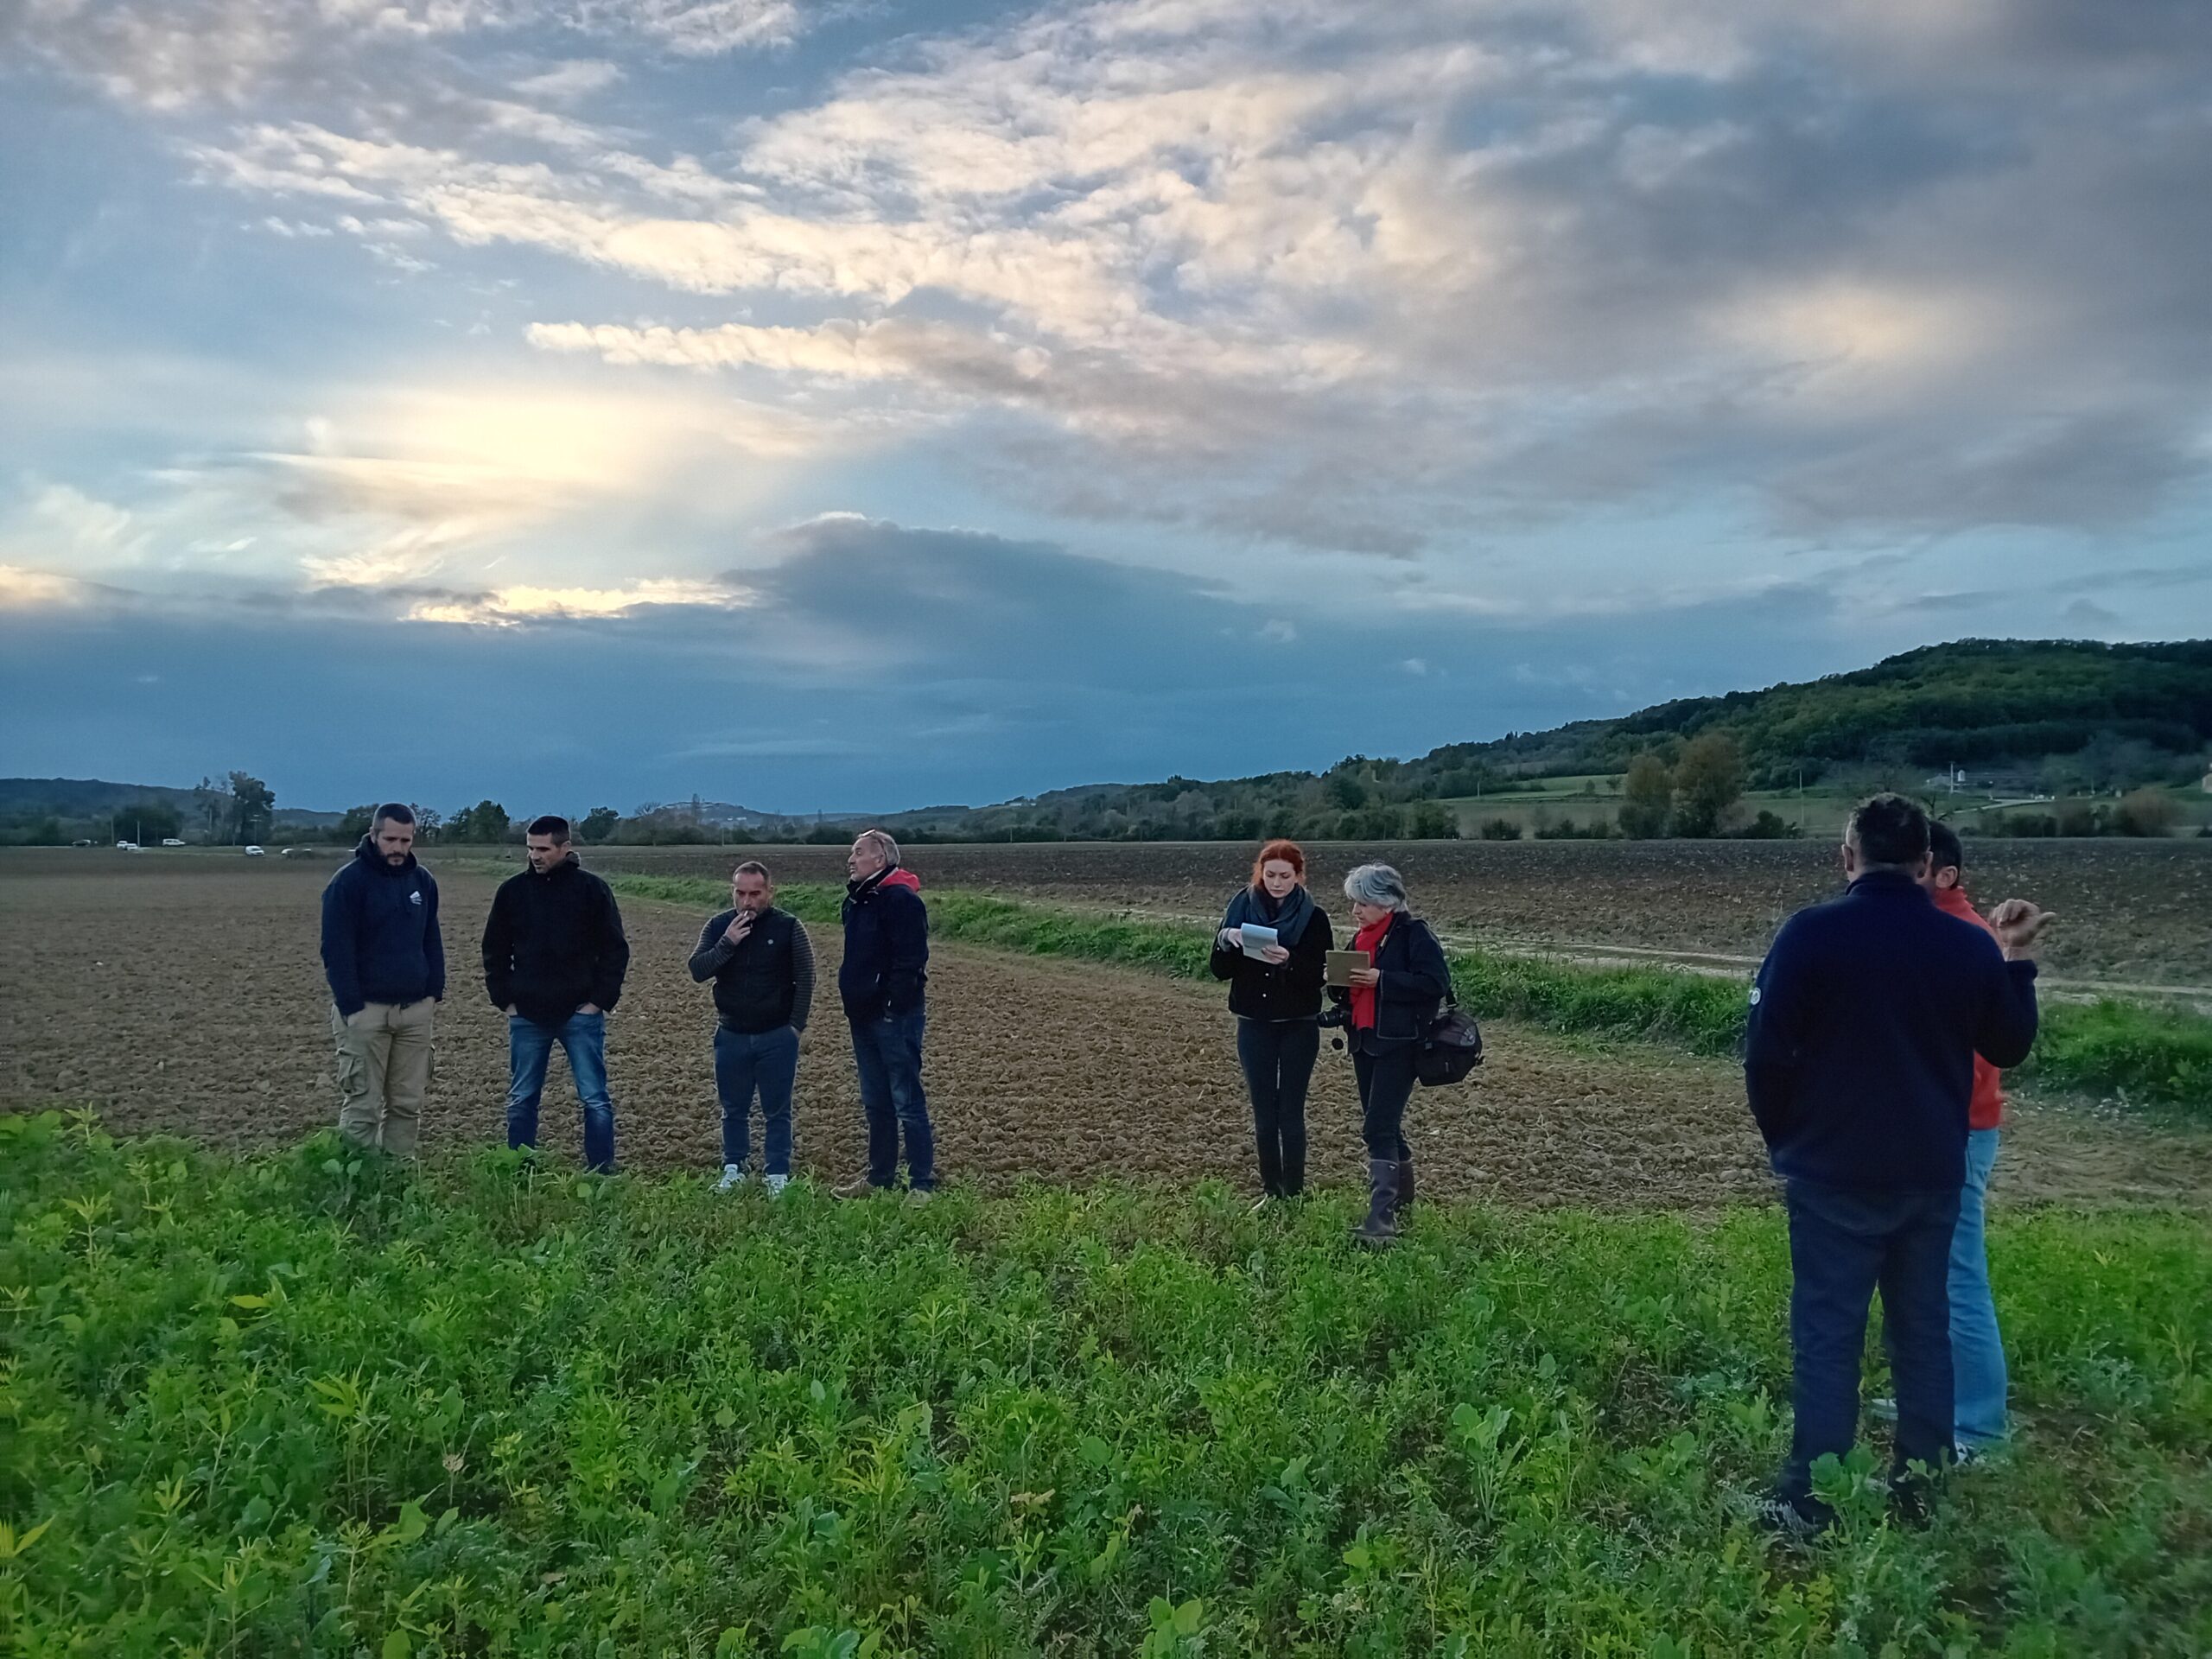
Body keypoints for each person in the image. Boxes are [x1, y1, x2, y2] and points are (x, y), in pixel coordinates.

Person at [1744, 794, 2050, 1535]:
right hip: (1931, 1172)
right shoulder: (1966, 944)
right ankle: (1921, 1493)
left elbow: (1765, 1057)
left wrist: (1789, 1141)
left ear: (1849, 857)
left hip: (1831, 1172)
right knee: (1923, 1332)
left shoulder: (1811, 935)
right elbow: (2008, 1045)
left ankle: (1811, 1502)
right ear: (1924, 862)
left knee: (1828, 1335)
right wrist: (2017, 961)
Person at [1918, 820, 2019, 1459]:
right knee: (1929, 1276)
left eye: (1916, 864)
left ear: (1946, 874)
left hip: (1958, 1131)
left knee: (1959, 1278)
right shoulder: (1942, 931)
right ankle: (1940, 1399)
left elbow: (1977, 1059)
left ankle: (1979, 1427)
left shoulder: (1962, 938)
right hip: (1947, 1128)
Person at [481, 815, 632, 1172]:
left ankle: (601, 1173)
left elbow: (615, 950)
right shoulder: (512, 892)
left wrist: (597, 1002)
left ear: (565, 848)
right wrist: (506, 1000)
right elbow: (494, 949)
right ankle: (520, 1170)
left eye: (543, 849)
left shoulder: (592, 890)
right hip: (527, 1016)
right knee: (522, 1098)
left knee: (594, 1098)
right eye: (531, 848)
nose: (535, 855)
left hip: (580, 1014)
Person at [1330, 862, 1451, 1246]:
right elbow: (1346, 992)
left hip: (1400, 1045)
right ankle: (1402, 1204)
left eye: (1362, 903)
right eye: (1354, 902)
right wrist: (1336, 982)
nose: (1355, 910)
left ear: (1387, 902)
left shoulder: (1414, 935)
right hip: (1365, 1042)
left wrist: (1382, 980)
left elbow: (1435, 983)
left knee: (1377, 1129)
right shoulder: (1361, 938)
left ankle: (1381, 1221)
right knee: (1387, 1127)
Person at [1211, 839, 1332, 1207]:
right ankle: (1270, 1192)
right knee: (1264, 1114)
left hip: (1298, 1025)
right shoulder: (1240, 907)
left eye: (1285, 876)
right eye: (1270, 875)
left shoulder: (1315, 917)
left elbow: (1320, 975)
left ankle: (1294, 1194)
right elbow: (1219, 970)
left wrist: (1288, 962)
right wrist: (1227, 939)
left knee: (1290, 1113)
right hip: (1254, 1024)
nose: (1277, 883)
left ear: (1299, 876)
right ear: (1260, 874)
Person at [319, 803, 443, 1157]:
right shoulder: (348, 883)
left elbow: (431, 939)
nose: (398, 848)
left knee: (407, 1105)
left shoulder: (422, 882)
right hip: (366, 1013)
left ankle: (397, 1177)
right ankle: (357, 1181)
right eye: (390, 839)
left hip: (414, 1013)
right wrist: (352, 1008)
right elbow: (335, 950)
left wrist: (433, 993)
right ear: (374, 835)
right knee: (363, 1107)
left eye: (405, 840)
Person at [689, 859, 816, 1196]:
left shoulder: (789, 927)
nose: (747, 901)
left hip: (776, 1034)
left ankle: (777, 1173)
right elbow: (698, 969)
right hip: (731, 1034)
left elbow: (806, 978)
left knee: (777, 1110)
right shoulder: (719, 926)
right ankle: (734, 1168)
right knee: (733, 1109)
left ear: (770, 892)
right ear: (732, 892)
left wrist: (794, 1027)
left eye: (755, 894)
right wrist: (728, 943)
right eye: (740, 893)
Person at [836, 829, 934, 1200]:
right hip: (861, 1017)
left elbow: (911, 962)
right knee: (876, 1102)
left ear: (880, 859)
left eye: (858, 852)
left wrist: (893, 1007)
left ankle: (921, 1184)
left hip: (895, 1018)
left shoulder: (902, 901)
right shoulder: (856, 902)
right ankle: (880, 1179)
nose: (851, 859)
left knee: (907, 1101)